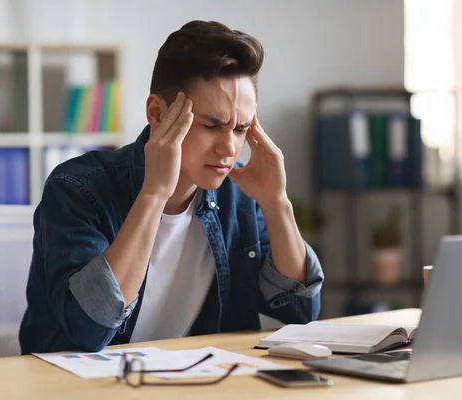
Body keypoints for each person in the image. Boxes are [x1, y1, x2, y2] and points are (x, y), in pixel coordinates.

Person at [19, 20, 324, 354]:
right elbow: (89, 330)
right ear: (156, 112)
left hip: (192, 381)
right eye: (211, 125)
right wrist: (154, 194)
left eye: (241, 129)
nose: (228, 148)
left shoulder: (239, 194)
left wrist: (276, 203)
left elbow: (298, 313)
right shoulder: (77, 188)